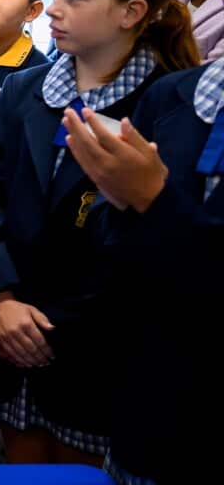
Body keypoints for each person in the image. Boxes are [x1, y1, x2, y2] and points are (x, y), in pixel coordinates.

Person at [0, 0, 199, 467]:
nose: (54, 11)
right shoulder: (27, 89)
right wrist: (0, 300)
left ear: (131, 12)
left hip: (101, 348)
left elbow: (159, 240)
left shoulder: (169, 102)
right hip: (8, 332)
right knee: (22, 465)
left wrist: (55, 327)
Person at [61, 56, 222, 485]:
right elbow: (102, 227)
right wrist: (121, 196)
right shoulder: (173, 94)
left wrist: (154, 199)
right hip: (147, 392)